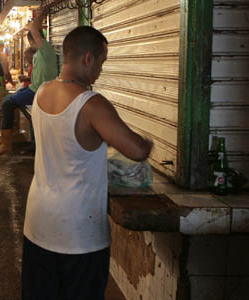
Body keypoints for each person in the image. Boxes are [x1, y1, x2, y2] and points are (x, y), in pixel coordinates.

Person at [22, 26, 153, 300]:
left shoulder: (42, 92)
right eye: (102, 62)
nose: (100, 71)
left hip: (38, 223)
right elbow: (136, 150)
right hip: (78, 234)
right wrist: (149, 142)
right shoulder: (91, 104)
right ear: (88, 58)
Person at [0, 10, 57, 155]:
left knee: (7, 103)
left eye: (31, 40)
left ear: (35, 39)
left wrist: (44, 9)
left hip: (39, 91)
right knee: (26, 111)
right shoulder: (41, 53)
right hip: (35, 88)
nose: (30, 43)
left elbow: (34, 29)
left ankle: (5, 144)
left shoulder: (45, 49)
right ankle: (30, 146)